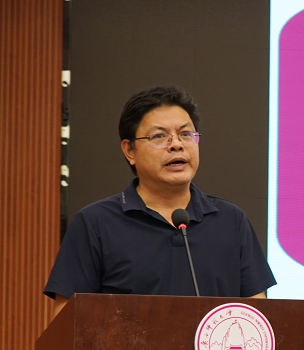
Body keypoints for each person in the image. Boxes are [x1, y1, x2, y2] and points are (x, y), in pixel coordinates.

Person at [45, 86, 275, 312]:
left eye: (186, 134)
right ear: (130, 151)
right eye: (159, 136)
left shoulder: (230, 221)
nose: (176, 144)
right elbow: (66, 322)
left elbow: (258, 317)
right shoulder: (95, 223)